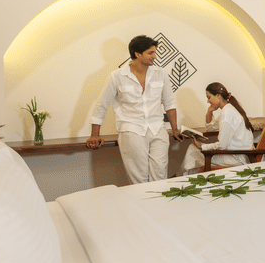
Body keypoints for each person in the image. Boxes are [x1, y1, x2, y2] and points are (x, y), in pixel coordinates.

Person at [86, 35, 183, 183]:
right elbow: (102, 105)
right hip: (132, 132)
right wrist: (94, 135)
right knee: (139, 180)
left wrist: (175, 129)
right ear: (138, 54)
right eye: (150, 53)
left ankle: (158, 207)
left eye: (154, 52)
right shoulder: (117, 76)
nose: (154, 56)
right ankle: (142, 206)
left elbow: (169, 103)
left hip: (158, 130)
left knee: (160, 177)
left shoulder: (161, 74)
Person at [181, 82, 254, 174]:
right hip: (240, 155)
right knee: (194, 151)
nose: (208, 101)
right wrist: (209, 112)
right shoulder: (229, 109)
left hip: (236, 158)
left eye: (209, 97)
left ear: (218, 96)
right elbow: (210, 128)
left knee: (193, 150)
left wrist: (202, 146)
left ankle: (183, 178)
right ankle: (186, 177)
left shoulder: (227, 113)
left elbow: (222, 145)